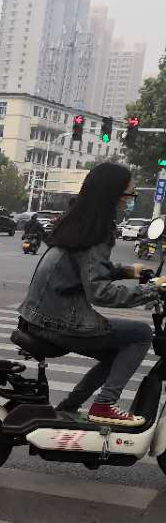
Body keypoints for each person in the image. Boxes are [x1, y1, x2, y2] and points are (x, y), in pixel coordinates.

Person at [18, 162, 165, 425]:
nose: (130, 199)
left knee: (115, 351)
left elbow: (86, 267)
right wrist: (154, 289)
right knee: (141, 334)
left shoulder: (79, 223)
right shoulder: (98, 232)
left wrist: (128, 271)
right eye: (129, 194)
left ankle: (69, 406)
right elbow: (100, 292)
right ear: (113, 194)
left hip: (38, 315)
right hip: (58, 320)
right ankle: (105, 405)